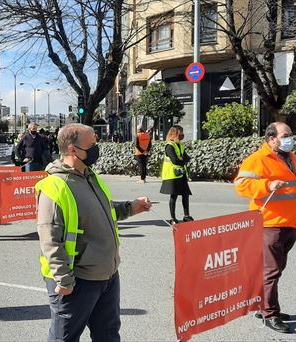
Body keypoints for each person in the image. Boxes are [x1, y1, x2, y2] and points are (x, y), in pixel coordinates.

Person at [36, 123, 151, 341]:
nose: (96, 149)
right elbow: (50, 239)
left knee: (108, 335)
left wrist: (131, 207)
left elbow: (103, 210)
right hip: (77, 279)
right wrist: (64, 280)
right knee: (65, 338)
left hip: (107, 275)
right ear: (72, 149)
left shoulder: (89, 175)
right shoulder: (54, 186)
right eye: (92, 145)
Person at [234, 122, 296, 334]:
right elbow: (241, 185)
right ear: (271, 139)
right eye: (285, 135)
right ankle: (270, 314)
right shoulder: (258, 159)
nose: (290, 139)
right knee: (271, 271)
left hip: (290, 223)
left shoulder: (291, 159)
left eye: (290, 135)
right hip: (270, 224)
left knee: (276, 270)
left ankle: (263, 305)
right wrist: (267, 185)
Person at [160, 125, 193, 224]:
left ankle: (186, 215)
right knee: (173, 196)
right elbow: (174, 160)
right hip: (172, 175)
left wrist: (181, 159)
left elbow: (187, 158)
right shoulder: (169, 146)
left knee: (185, 195)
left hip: (181, 174)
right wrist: (182, 160)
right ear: (174, 134)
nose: (182, 135)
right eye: (180, 133)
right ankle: (172, 218)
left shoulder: (179, 145)